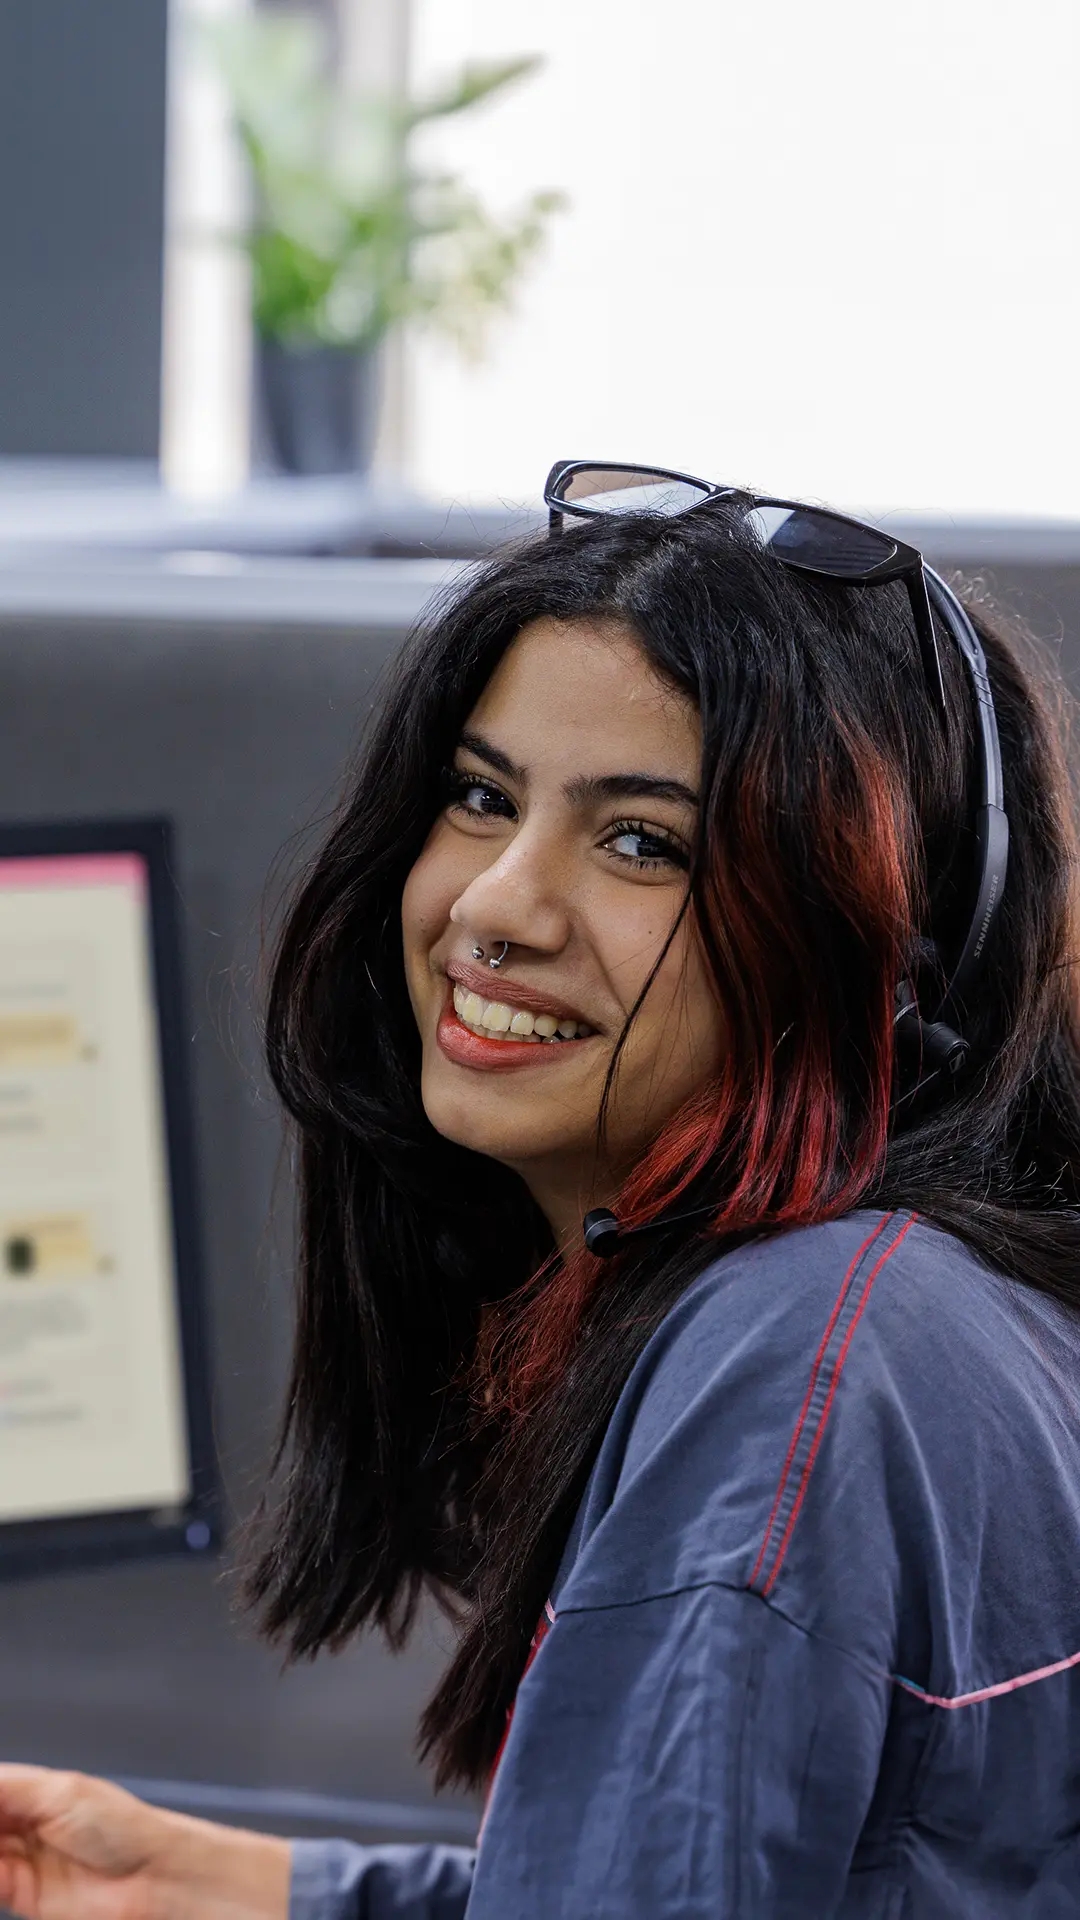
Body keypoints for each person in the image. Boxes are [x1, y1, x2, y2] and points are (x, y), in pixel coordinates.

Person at [3, 464, 1080, 1918]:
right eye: (480, 797)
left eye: (642, 840)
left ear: (879, 959)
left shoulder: (795, 1358)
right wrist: (244, 1890)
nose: (495, 904)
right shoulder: (929, 1314)